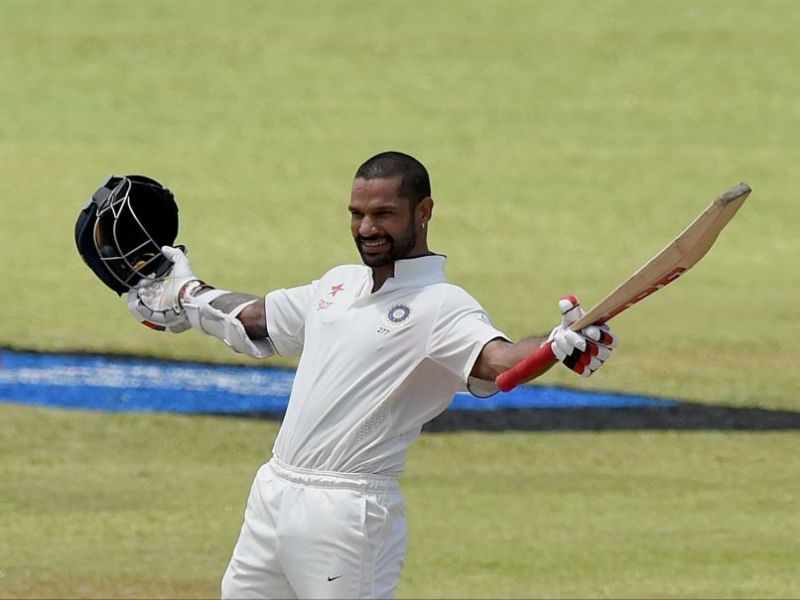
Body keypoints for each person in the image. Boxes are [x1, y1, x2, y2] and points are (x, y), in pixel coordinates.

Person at [127, 151, 617, 599]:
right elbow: (255, 316)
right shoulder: (337, 284)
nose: (366, 228)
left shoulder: (441, 306)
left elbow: (501, 359)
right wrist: (188, 296)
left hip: (349, 511)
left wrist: (556, 345)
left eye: (384, 214)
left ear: (423, 213)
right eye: (357, 215)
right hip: (273, 493)